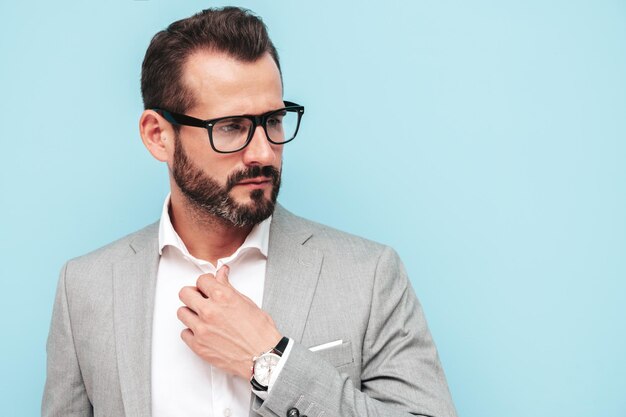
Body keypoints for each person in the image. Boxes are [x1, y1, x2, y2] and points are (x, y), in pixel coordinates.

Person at [42, 7, 457, 417]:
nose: (263, 152)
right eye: (231, 127)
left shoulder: (368, 276)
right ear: (158, 136)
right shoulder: (86, 289)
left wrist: (269, 362)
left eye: (273, 120)